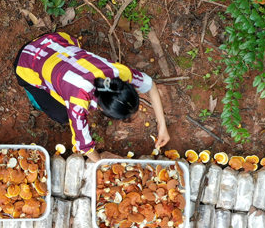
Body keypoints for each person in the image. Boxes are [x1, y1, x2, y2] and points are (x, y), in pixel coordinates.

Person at [14, 32, 170, 162]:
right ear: (101, 108)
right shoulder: (78, 100)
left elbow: (150, 85)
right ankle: (35, 96)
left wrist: (162, 126)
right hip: (27, 63)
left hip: (54, 41)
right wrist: (102, 159)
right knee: (61, 115)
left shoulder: (118, 73)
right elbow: (84, 146)